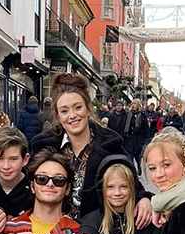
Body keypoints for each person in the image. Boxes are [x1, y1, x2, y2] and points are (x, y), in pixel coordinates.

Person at [30, 72, 153, 225]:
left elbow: (132, 183)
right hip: (52, 233)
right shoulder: (44, 147)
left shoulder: (110, 146)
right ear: (58, 116)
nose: (72, 115)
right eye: (64, 111)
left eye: (78, 107)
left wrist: (144, 199)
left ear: (88, 109)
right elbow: (25, 187)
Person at [0, 126, 32, 218]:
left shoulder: (35, 186)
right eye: (0, 159)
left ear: (25, 159)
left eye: (13, 159)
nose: (6, 166)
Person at [122, 100, 149, 172]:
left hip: (138, 140)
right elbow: (124, 126)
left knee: (137, 156)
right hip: (129, 139)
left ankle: (139, 165)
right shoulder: (128, 115)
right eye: (132, 104)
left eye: (135, 104)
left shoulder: (142, 115)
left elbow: (146, 128)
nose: (133, 105)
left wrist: (146, 140)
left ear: (138, 105)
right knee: (130, 157)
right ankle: (133, 171)